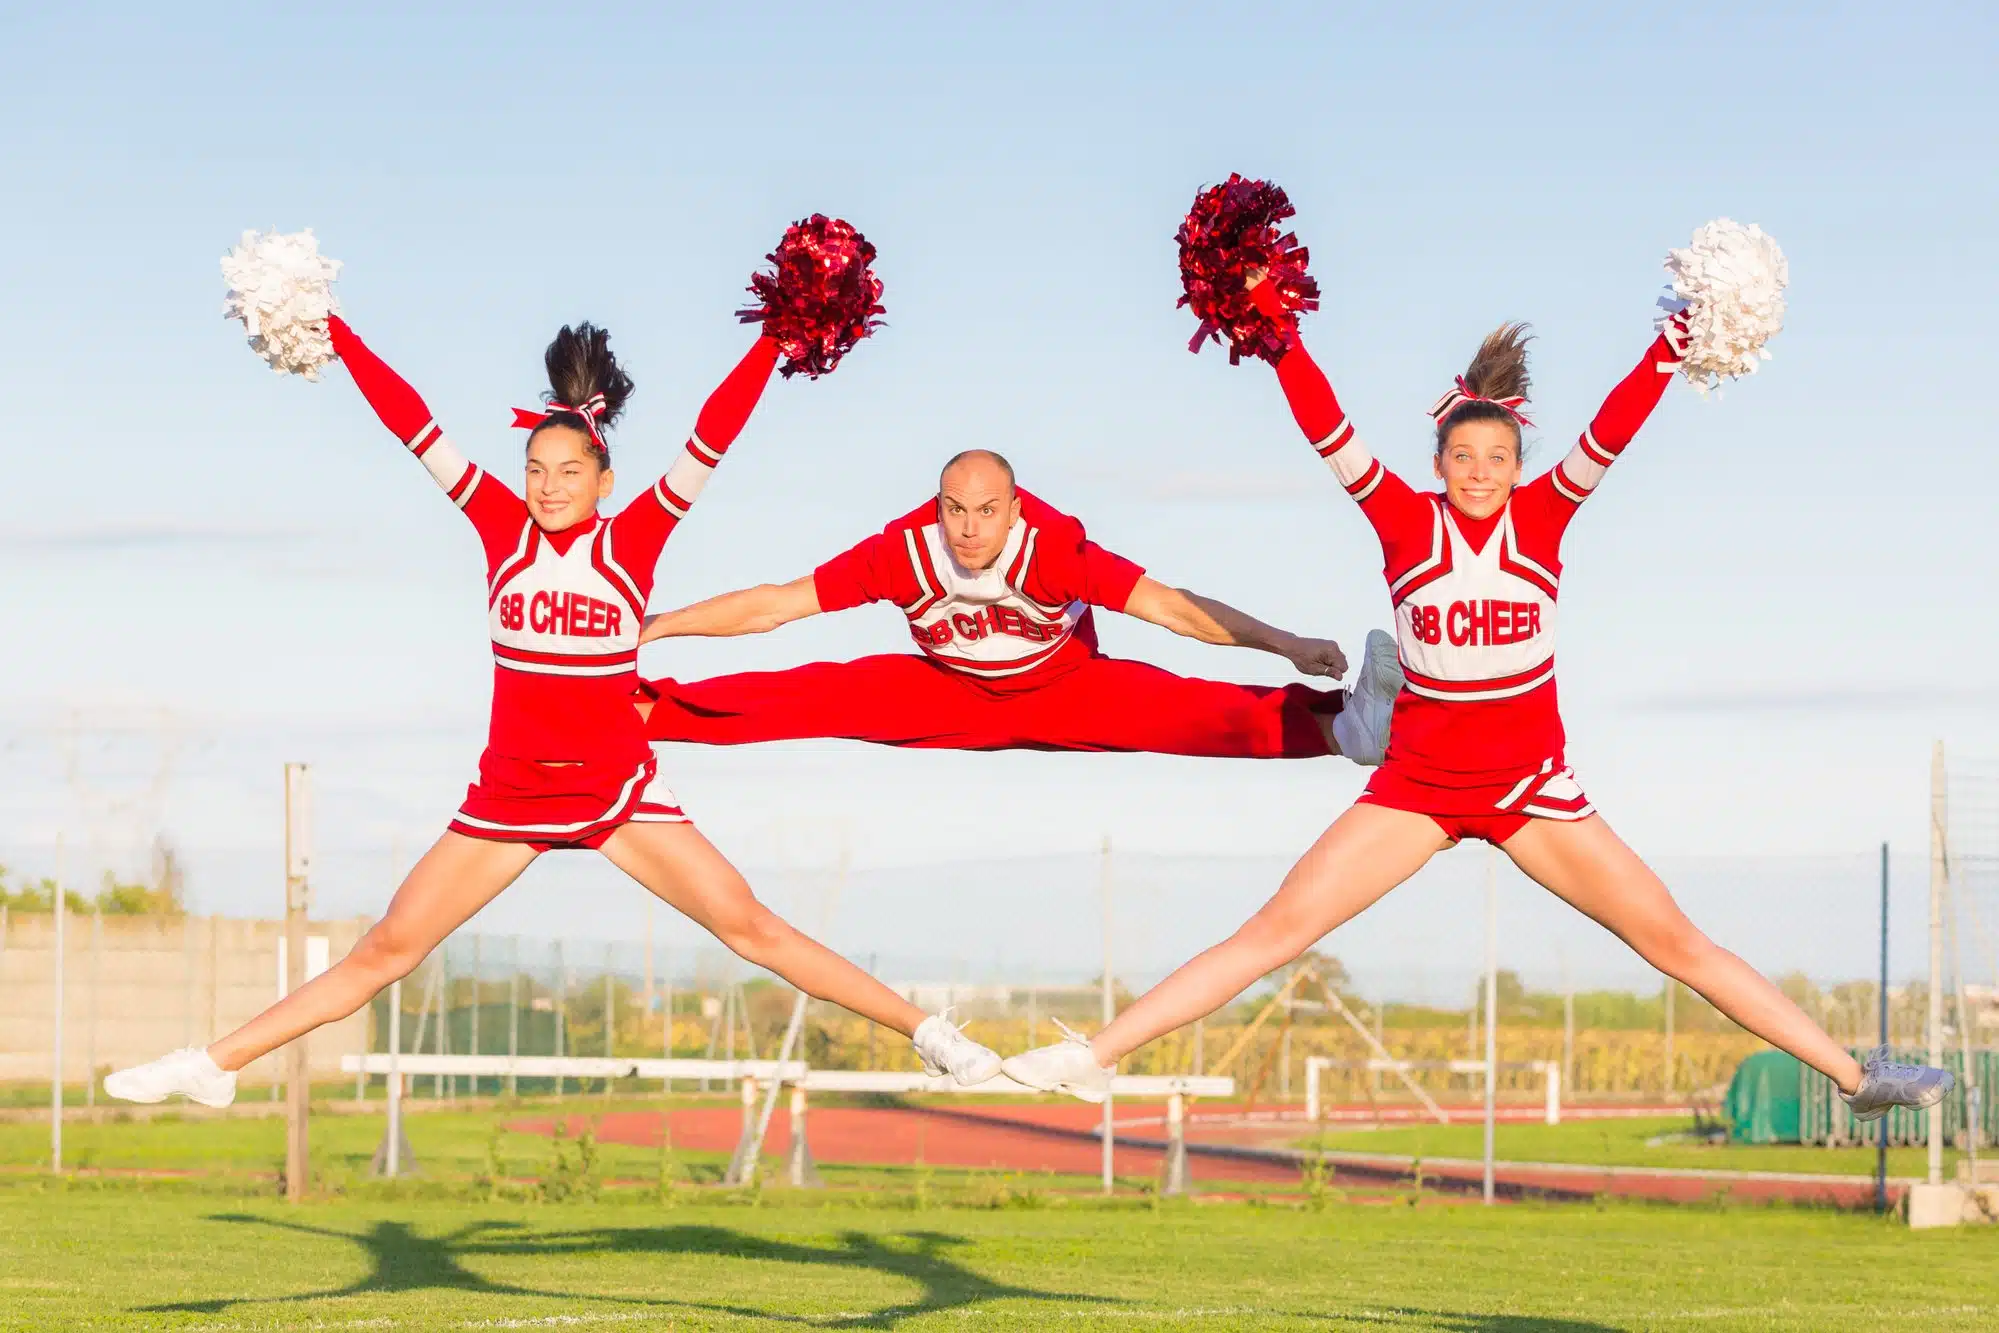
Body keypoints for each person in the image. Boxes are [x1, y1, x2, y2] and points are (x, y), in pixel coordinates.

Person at [1002, 273, 1955, 1122]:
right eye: (1464, 458)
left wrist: (1671, 343)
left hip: (1532, 789)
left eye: (1497, 458)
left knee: (1673, 940)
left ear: (1515, 463)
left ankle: (1851, 1074)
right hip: (1416, 787)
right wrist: (1276, 329)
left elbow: (1611, 430)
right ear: (1440, 463)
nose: (1482, 472)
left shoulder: (1544, 515)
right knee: (1274, 932)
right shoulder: (1400, 520)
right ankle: (1093, 1056)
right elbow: (1323, 423)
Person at [107, 311, 996, 1107]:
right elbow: (410, 421)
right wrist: (334, 334)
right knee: (385, 950)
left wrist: (775, 333)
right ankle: (212, 1065)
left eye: (568, 470)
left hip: (617, 793)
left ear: (603, 477)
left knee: (751, 926)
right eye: (535, 468)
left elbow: (712, 437)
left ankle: (927, 1031)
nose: (547, 484)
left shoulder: (635, 537)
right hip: (510, 799)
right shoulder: (500, 528)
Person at [634, 449, 1403, 763]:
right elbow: (774, 606)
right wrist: (660, 624)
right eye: (954, 511)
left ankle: (1347, 725)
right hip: (945, 686)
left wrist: (1287, 643)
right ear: (937, 506)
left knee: (1192, 711)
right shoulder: (901, 551)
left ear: (1012, 509)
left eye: (985, 512)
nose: (968, 531)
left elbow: (1174, 610)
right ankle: (637, 712)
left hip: (1065, 688)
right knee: (811, 692)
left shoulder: (1055, 551)